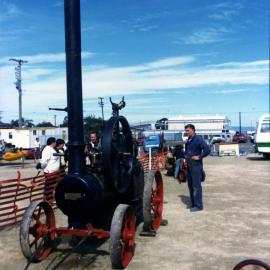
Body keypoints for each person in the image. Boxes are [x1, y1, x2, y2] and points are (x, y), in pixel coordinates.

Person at [184, 124, 210, 212]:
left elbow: (207, 149)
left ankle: (199, 206)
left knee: (196, 186)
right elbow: (187, 151)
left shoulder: (198, 139)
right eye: (186, 130)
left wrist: (199, 157)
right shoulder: (189, 140)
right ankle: (193, 203)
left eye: (188, 130)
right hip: (189, 166)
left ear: (193, 130)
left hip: (196, 166)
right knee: (190, 186)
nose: (186, 132)